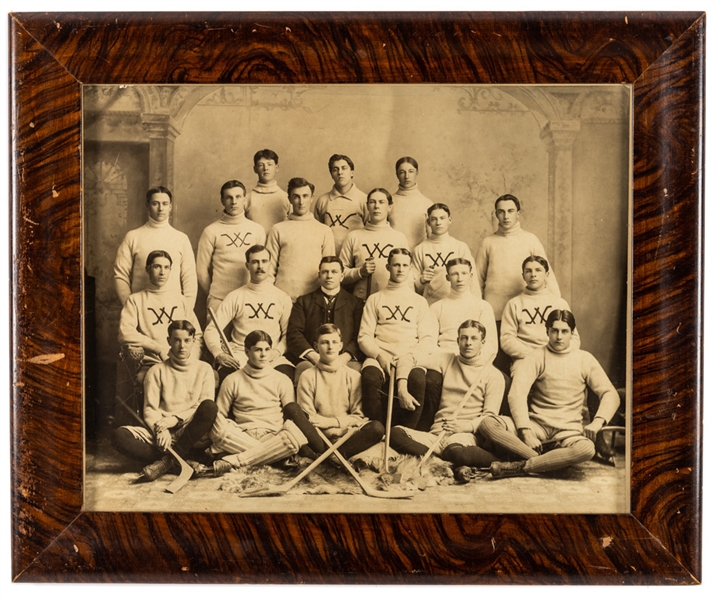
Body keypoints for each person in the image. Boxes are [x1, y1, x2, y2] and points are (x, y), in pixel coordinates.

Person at [478, 309, 621, 479]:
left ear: (572, 333)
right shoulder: (535, 356)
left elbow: (610, 394)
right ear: (547, 331)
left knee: (587, 449)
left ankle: (522, 466)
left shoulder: (585, 359)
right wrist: (526, 431)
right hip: (537, 426)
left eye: (564, 331)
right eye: (554, 331)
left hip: (568, 433)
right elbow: (517, 394)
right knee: (487, 424)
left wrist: (597, 422)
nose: (559, 336)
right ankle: (551, 464)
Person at [389, 320, 505, 482]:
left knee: (455, 451)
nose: (468, 343)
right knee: (394, 433)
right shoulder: (447, 360)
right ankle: (447, 465)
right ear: (457, 341)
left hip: (464, 436)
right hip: (436, 434)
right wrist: (402, 388)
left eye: (474, 338)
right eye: (464, 338)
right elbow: (407, 358)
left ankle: (453, 461)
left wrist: (465, 426)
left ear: (483, 342)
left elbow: (490, 419)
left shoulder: (493, 375)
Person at [111, 320, 218, 481]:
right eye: (176, 340)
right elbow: (150, 409)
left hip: (190, 428)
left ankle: (167, 461)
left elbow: (203, 404)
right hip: (161, 430)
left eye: (187, 340)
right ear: (169, 341)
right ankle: (181, 462)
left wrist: (175, 420)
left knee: (210, 407)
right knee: (119, 436)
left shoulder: (204, 369)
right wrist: (161, 430)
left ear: (193, 341)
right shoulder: (156, 371)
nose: (182, 346)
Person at [207, 330, 325, 476]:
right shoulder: (232, 380)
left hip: (274, 435)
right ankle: (273, 457)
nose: (263, 355)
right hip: (242, 436)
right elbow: (221, 416)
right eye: (257, 350)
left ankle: (236, 460)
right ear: (246, 352)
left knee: (294, 436)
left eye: (267, 349)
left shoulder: (282, 379)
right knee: (218, 426)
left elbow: (290, 415)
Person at [357, 248, 438, 429]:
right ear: (388, 267)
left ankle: (403, 433)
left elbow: (427, 339)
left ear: (410, 269)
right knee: (370, 377)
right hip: (380, 355)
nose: (400, 269)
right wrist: (379, 355)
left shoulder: (419, 301)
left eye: (404, 265)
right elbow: (364, 336)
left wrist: (408, 357)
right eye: (396, 265)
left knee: (417, 379)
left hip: (409, 356)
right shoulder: (375, 299)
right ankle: (379, 431)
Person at [203, 244, 294, 381]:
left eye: (264, 261)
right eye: (255, 262)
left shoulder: (282, 297)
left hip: (271, 357)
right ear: (247, 265)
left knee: (287, 378)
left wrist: (276, 352)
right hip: (240, 356)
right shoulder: (236, 296)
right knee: (226, 379)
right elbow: (211, 330)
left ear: (270, 264)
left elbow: (289, 334)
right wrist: (219, 354)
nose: (260, 266)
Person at [296, 324, 385, 459]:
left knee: (377, 428)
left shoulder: (353, 376)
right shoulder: (307, 376)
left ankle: (331, 457)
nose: (330, 347)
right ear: (316, 346)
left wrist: (331, 423)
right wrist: (332, 429)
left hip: (346, 437)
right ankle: (333, 457)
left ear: (340, 346)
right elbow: (309, 420)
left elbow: (358, 416)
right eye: (325, 342)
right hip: (319, 438)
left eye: (334, 342)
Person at [118, 250, 203, 383]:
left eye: (166, 267)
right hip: (153, 363)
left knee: (208, 376)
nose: (162, 272)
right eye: (157, 266)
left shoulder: (180, 300)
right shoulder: (135, 300)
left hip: (184, 361)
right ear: (148, 269)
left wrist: (191, 360)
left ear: (170, 270)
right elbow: (125, 333)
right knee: (146, 379)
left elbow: (197, 335)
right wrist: (158, 349)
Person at [475, 193, 560, 321]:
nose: (506, 216)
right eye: (501, 212)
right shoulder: (488, 242)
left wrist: (557, 305)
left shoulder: (530, 240)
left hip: (524, 310)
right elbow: (477, 280)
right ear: (496, 214)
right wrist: (477, 310)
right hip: (494, 312)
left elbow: (546, 274)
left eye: (510, 211)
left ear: (518, 213)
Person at [114, 186, 197, 307]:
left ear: (170, 207)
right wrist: (130, 306)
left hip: (173, 308)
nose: (160, 208)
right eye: (155, 204)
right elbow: (120, 275)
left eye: (165, 203)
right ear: (147, 206)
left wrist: (187, 308)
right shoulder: (133, 237)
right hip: (141, 308)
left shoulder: (181, 238)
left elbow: (189, 277)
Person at [287, 256, 364, 383]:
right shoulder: (303, 301)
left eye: (334, 272)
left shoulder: (355, 303)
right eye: (325, 272)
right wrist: (314, 356)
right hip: (311, 359)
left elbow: (360, 335)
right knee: (303, 372)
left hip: (345, 359)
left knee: (355, 375)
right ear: (319, 275)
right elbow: (294, 333)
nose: (329, 276)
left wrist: (344, 358)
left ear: (342, 276)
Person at [196, 180, 266, 316]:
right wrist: (215, 293)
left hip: (250, 298)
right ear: (222, 200)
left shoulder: (257, 229)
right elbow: (201, 270)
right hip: (219, 299)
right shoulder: (211, 231)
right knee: (216, 337)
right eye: (229, 197)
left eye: (238, 197)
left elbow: (261, 264)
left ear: (245, 199)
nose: (234, 201)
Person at [500, 255, 580, 374]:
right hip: (525, 359)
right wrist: (533, 355)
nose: (533, 274)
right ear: (523, 276)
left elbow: (574, 338)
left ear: (547, 274)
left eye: (538, 270)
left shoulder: (558, 302)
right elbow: (507, 339)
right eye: (528, 271)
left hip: (557, 356)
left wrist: (556, 353)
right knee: (521, 376)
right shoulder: (514, 304)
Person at [266, 177, 335, 301]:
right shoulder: (278, 229)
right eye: (296, 196)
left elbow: (330, 269)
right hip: (283, 298)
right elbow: (269, 269)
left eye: (305, 196)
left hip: (314, 299)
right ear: (290, 199)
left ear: (312, 198)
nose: (301, 201)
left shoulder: (324, 231)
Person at [339, 187, 410, 300]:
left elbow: (408, 275)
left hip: (391, 302)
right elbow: (340, 274)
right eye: (372, 202)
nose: (377, 206)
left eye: (381, 202)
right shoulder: (354, 237)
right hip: (360, 303)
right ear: (367, 206)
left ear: (389, 207)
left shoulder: (399, 238)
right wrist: (360, 272)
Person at [429, 257, 497, 364]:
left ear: (471, 276)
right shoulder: (436, 307)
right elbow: (430, 343)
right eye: (454, 274)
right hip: (444, 361)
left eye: (464, 273)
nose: (460, 279)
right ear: (447, 277)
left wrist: (475, 363)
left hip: (475, 362)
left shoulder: (483, 307)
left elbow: (491, 345)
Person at [412, 203, 481, 305]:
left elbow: (473, 280)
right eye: (434, 219)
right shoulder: (420, 249)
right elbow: (412, 286)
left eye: (442, 218)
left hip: (458, 304)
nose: (438, 222)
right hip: (430, 305)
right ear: (428, 222)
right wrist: (422, 280)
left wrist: (476, 305)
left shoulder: (460, 247)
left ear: (450, 220)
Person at [313, 154, 368, 254]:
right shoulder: (322, 201)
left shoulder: (364, 199)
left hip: (355, 256)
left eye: (344, 168)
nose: (340, 172)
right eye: (335, 169)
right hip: (329, 258)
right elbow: (317, 233)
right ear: (331, 174)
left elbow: (370, 232)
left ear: (352, 172)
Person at [389, 156, 433, 249]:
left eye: (411, 171)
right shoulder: (389, 203)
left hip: (418, 258)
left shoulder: (427, 203)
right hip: (394, 258)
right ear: (397, 174)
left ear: (417, 173)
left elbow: (432, 239)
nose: (407, 176)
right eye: (402, 172)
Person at [245, 149, 291, 235]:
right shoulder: (247, 199)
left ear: (276, 168)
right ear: (255, 169)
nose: (266, 168)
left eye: (269, 164)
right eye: (261, 165)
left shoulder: (286, 198)